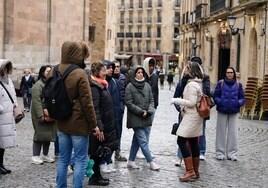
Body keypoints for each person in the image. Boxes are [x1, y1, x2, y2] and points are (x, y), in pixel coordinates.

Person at [55, 41, 100, 188]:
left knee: (63, 159)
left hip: (61, 122)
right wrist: (94, 125)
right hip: (79, 124)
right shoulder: (80, 73)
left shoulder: (55, 69)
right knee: (80, 160)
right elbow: (88, 103)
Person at [171, 61, 204, 182]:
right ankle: (195, 171)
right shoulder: (197, 83)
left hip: (191, 117)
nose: (185, 70)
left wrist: (177, 101)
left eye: (187, 68)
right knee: (193, 142)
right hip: (195, 117)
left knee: (181, 140)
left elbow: (191, 103)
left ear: (191, 71)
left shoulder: (191, 85)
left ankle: (190, 171)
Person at [88, 61, 118, 186]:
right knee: (97, 151)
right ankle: (94, 176)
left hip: (106, 124)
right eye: (103, 70)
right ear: (96, 73)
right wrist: (99, 127)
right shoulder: (95, 87)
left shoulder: (102, 85)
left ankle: (97, 175)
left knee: (101, 151)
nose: (106, 72)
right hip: (101, 126)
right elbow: (95, 109)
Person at [125, 65, 160, 171]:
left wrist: (149, 111)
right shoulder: (130, 87)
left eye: (141, 72)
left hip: (146, 117)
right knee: (143, 141)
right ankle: (151, 162)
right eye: (138, 72)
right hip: (135, 118)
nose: (140, 74)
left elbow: (151, 100)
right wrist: (140, 112)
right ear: (134, 74)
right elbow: (129, 103)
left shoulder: (147, 86)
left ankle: (131, 161)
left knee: (136, 141)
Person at [213, 66, 245, 161]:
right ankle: (220, 153)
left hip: (234, 111)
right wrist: (220, 102)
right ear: (225, 74)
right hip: (222, 110)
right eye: (228, 72)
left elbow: (242, 98)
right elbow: (215, 96)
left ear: (234, 74)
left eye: (231, 72)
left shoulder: (239, 85)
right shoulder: (220, 83)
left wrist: (237, 103)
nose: (229, 74)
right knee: (221, 132)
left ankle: (232, 154)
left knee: (233, 133)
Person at [98, 60, 121, 173]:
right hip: (105, 117)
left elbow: (119, 99)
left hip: (115, 116)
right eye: (109, 67)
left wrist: (120, 111)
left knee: (113, 140)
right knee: (104, 141)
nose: (112, 69)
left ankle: (108, 161)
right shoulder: (100, 83)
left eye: (112, 67)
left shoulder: (115, 82)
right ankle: (102, 162)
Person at [31, 65, 56, 165]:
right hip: (40, 114)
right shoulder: (38, 85)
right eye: (47, 71)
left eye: (50, 71)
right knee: (39, 135)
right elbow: (36, 101)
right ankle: (35, 155)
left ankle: (45, 154)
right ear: (42, 73)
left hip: (50, 114)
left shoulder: (50, 84)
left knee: (48, 135)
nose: (49, 73)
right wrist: (40, 115)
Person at [0, 59, 18, 174]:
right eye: (4, 68)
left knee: (3, 143)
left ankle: (1, 164)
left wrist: (15, 106)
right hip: (1, 115)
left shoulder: (8, 81)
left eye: (7, 68)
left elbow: (13, 94)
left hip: (8, 116)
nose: (6, 70)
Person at [112, 61, 128, 161]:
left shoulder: (123, 78)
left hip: (120, 106)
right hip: (111, 107)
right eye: (115, 67)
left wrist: (123, 105)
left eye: (118, 66)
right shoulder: (109, 78)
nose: (116, 68)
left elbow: (125, 92)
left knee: (119, 130)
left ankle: (117, 152)